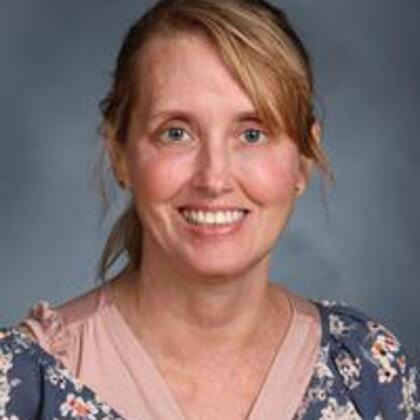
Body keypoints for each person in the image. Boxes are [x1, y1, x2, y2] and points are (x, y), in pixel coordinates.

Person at [1, 0, 419, 419]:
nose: (214, 179)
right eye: (176, 133)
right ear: (120, 155)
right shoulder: (26, 387)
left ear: (304, 159)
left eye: (252, 134)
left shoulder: (369, 373)